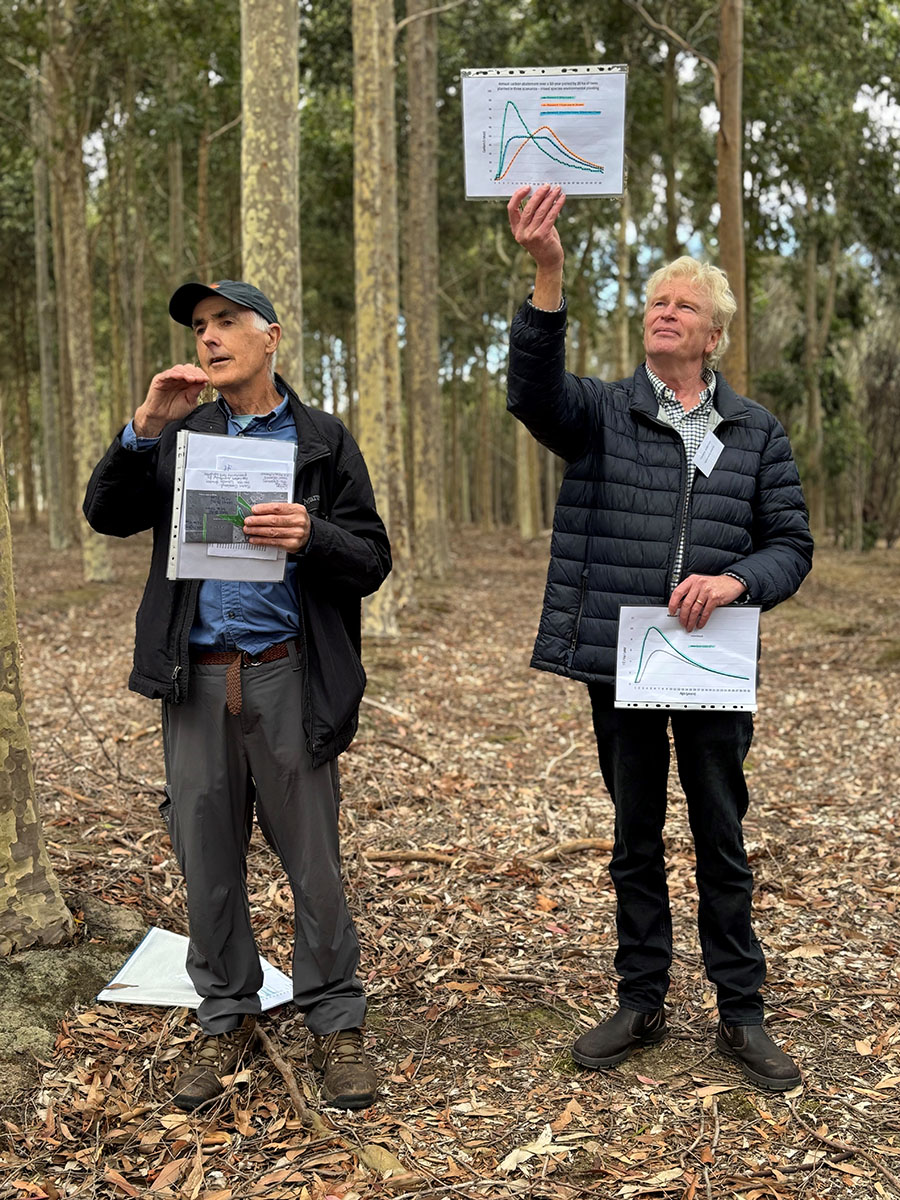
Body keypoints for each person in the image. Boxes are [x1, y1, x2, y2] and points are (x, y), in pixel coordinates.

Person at [506, 185, 813, 1091]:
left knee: (721, 831)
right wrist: (548, 272)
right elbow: (532, 392)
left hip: (712, 664)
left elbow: (791, 544)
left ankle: (741, 1013)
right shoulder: (600, 412)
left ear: (714, 335)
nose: (663, 313)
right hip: (621, 659)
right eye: (655, 302)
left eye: (682, 306)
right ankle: (641, 1000)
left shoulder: (755, 432)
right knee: (634, 835)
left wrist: (735, 582)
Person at [84, 280, 391, 1111]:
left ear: (271, 337)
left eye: (226, 322)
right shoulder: (183, 436)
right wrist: (145, 428)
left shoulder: (321, 440)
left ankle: (336, 1020)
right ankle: (226, 1014)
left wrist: (313, 534)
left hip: (287, 672)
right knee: (207, 860)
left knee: (314, 864)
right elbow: (105, 515)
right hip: (195, 677)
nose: (210, 337)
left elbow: (372, 558)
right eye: (199, 327)